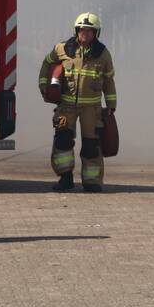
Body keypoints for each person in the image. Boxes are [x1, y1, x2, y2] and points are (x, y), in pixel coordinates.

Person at [39, 12, 117, 192]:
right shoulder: (62, 49)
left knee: (91, 145)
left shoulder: (103, 54)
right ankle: (65, 179)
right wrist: (44, 86)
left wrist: (111, 105)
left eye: (90, 31)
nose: (85, 34)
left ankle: (92, 182)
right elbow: (46, 64)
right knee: (63, 142)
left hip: (92, 108)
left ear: (96, 33)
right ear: (76, 30)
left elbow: (109, 80)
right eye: (82, 30)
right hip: (66, 107)